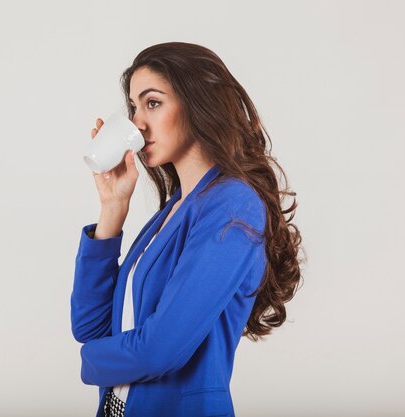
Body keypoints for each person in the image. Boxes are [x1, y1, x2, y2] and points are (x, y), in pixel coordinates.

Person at [71, 42, 304, 417]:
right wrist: (113, 208)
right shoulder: (172, 211)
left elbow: (160, 349)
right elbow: (91, 327)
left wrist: (87, 362)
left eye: (153, 103)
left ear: (197, 104)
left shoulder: (232, 204)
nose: (137, 123)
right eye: (133, 108)